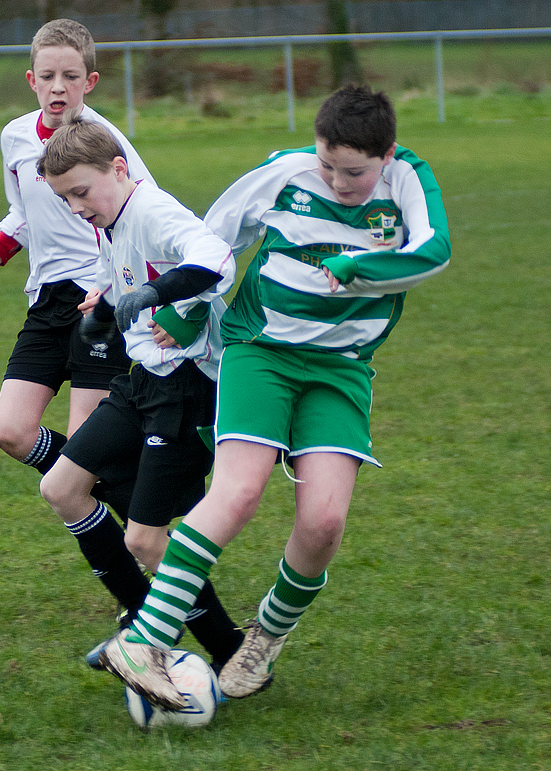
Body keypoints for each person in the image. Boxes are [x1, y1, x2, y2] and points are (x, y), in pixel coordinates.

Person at [97, 84, 452, 710]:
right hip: (261, 349)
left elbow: (433, 254)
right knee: (238, 492)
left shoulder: (408, 182)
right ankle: (145, 641)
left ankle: (265, 636)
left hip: (342, 367)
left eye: (357, 173)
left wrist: (355, 268)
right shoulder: (285, 173)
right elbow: (215, 241)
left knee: (324, 523)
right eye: (329, 167)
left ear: (387, 155)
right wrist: (184, 314)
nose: (341, 184)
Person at [36, 116, 246, 672]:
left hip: (188, 388)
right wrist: (103, 308)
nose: (78, 207)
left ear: (119, 168)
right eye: (66, 200)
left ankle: (233, 655)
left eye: (81, 192)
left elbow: (216, 259)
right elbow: (118, 268)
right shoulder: (114, 217)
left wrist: (158, 293)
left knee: (147, 543)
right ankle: (142, 624)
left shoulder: (153, 210)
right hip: (141, 382)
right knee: (62, 487)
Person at [0, 20, 153, 489]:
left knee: (81, 454)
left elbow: (146, 216)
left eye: (71, 77)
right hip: (46, 300)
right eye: (48, 76)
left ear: (90, 82)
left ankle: (130, 532)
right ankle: (127, 492)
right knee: (11, 431)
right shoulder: (15, 137)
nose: (58, 88)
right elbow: (21, 214)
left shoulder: (107, 143)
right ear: (31, 79)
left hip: (98, 305)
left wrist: (116, 286)